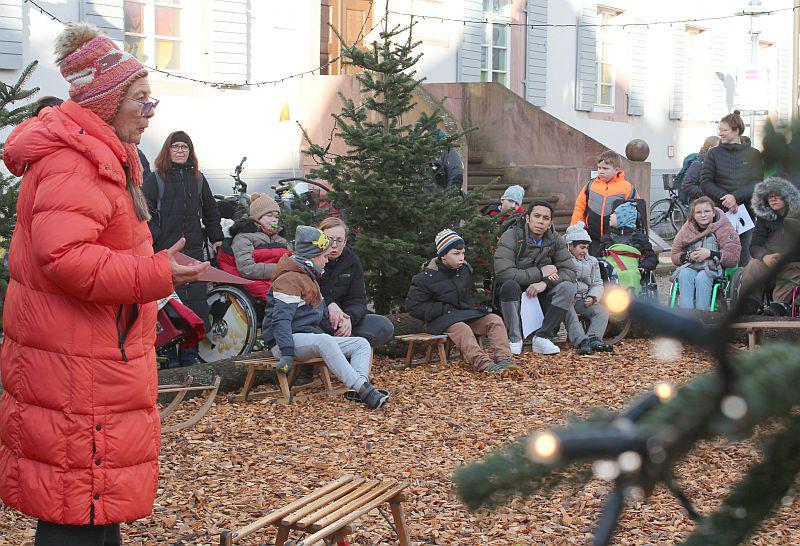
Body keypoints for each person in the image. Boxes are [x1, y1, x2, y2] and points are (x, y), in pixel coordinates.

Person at [0, 22, 208, 545]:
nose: (150, 110)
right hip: (77, 368)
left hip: (90, 360)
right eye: (140, 99)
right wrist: (156, 273)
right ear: (107, 103)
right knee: (75, 509)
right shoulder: (76, 161)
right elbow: (65, 258)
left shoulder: (102, 155)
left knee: (91, 508)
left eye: (150, 98)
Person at [262, 226, 390, 409]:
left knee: (360, 343)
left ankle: (359, 388)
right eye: (324, 256)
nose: (326, 261)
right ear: (312, 257)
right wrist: (287, 353)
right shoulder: (289, 279)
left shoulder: (310, 277)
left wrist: (338, 329)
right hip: (285, 342)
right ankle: (366, 391)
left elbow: (321, 315)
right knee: (323, 340)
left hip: (308, 337)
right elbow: (280, 321)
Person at [143, 130, 224, 366]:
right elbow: (142, 212)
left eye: (184, 147)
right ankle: (170, 356)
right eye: (176, 147)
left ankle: (190, 355)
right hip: (165, 251)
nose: (180, 151)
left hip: (194, 250)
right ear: (168, 150)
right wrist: (157, 239)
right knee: (170, 304)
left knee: (195, 304)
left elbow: (211, 211)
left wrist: (216, 237)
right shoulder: (156, 178)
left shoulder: (198, 179)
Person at [406, 229, 518, 372]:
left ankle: (504, 359)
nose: (461, 257)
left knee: (494, 319)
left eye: (463, 253)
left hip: (464, 314)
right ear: (443, 255)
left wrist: (472, 308)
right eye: (456, 253)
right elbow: (414, 307)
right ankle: (483, 364)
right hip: (440, 319)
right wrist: (442, 309)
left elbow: (468, 295)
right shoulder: (425, 277)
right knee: (462, 329)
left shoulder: (464, 270)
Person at [494, 200, 578, 355]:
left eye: (545, 218)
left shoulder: (555, 239)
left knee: (568, 287)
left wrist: (545, 283)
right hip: (515, 290)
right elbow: (504, 272)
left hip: (541, 291)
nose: (540, 221)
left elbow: (570, 271)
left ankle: (542, 337)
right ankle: (514, 338)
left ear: (550, 222)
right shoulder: (511, 236)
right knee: (509, 285)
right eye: (537, 216)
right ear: (527, 218)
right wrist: (540, 272)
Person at [700, 110, 764, 265]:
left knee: (744, 255)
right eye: (719, 130)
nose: (720, 133)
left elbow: (757, 183)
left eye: (725, 130)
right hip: (719, 211)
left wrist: (736, 197)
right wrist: (726, 198)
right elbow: (705, 182)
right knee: (719, 252)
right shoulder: (713, 154)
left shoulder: (754, 154)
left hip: (745, 212)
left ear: (737, 131)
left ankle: (741, 286)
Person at [318, 217, 394, 347]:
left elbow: (358, 300)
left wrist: (349, 319)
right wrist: (329, 304)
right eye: (329, 240)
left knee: (383, 326)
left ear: (345, 241)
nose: (334, 245)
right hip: (318, 318)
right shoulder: (312, 259)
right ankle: (346, 346)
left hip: (345, 319)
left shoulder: (352, 262)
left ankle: (346, 342)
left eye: (339, 240)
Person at [739, 177, 800, 316]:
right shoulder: (764, 218)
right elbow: (754, 245)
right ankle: (750, 303)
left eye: (777, 195)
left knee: (793, 273)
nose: (773, 199)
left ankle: (779, 306)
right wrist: (764, 256)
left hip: (793, 263)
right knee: (753, 265)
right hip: (769, 261)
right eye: (770, 196)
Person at [670, 196, 741, 310]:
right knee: (684, 274)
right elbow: (674, 255)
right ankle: (685, 314)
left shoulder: (724, 227)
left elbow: (733, 257)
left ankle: (702, 313)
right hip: (693, 265)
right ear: (693, 215)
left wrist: (710, 254)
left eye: (707, 211)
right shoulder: (688, 228)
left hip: (714, 268)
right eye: (698, 212)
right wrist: (688, 256)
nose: (703, 215)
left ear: (713, 213)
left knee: (702, 277)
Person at [223, 193, 291, 301]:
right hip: (258, 282)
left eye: (277, 216)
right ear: (257, 217)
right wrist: (280, 269)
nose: (274, 220)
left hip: (279, 280)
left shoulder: (280, 239)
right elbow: (247, 268)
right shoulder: (243, 237)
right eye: (269, 215)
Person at [570, 150, 638, 256]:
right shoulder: (590, 185)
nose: (601, 171)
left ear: (616, 170)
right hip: (591, 238)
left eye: (605, 168)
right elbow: (580, 207)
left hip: (616, 240)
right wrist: (574, 228)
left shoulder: (627, 188)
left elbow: (635, 212)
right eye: (599, 168)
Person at [562, 222, 612, 355]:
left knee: (601, 311)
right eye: (581, 247)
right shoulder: (564, 260)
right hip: (567, 299)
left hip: (583, 299)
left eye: (586, 248)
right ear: (570, 246)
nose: (584, 251)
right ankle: (580, 340)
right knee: (569, 312)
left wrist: (593, 296)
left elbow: (597, 282)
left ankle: (594, 337)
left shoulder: (592, 261)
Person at [680, 136, 720, 203]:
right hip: (700, 205)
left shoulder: (714, 162)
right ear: (711, 148)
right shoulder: (698, 164)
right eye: (719, 148)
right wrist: (708, 193)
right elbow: (687, 186)